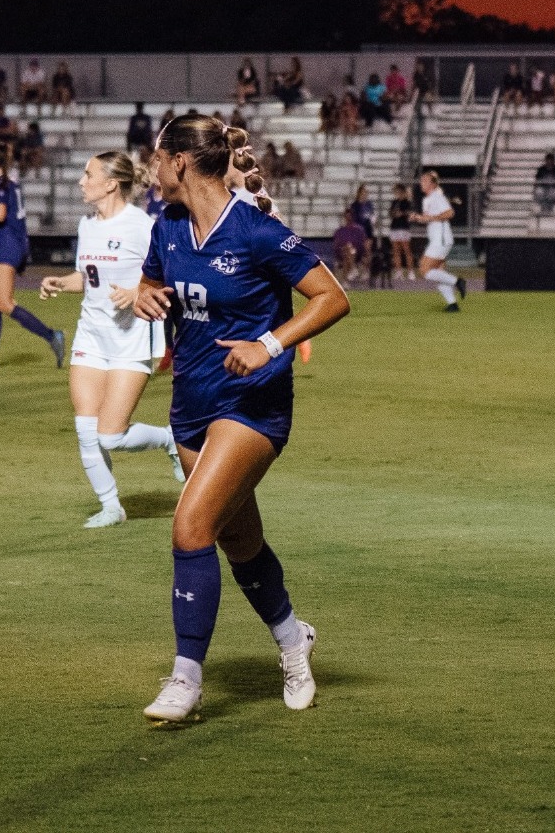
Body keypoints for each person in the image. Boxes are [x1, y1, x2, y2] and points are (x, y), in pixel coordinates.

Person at [128, 114, 351, 723]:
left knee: (190, 526)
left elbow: (333, 298)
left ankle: (185, 679)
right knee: (240, 541)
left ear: (179, 162)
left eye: (156, 157)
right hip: (191, 405)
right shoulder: (168, 225)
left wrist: (268, 345)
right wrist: (146, 293)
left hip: (252, 406)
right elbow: (152, 281)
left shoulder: (256, 231)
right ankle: (293, 640)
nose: (150, 167)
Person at [38, 151, 184, 528]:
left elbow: (170, 276)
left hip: (131, 337)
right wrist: (61, 283)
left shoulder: (142, 226)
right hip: (91, 335)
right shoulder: (87, 225)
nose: (81, 182)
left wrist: (138, 292)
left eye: (88, 175)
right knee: (86, 431)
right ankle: (110, 506)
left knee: (111, 435)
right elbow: (89, 278)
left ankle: (169, 440)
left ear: (110, 184)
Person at [0, 142, 65, 370]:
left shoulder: (0, 184)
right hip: (10, 244)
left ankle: (51, 335)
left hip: (8, 246)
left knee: (5, 304)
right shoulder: (9, 181)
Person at [410, 170, 465, 311]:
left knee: (424, 270)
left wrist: (431, 218)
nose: (421, 183)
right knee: (438, 273)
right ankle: (452, 304)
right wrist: (418, 218)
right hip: (437, 239)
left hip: (441, 239)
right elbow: (428, 218)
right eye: (421, 180)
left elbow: (450, 213)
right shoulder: (427, 199)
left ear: (433, 184)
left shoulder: (437, 196)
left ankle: (457, 281)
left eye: (425, 181)